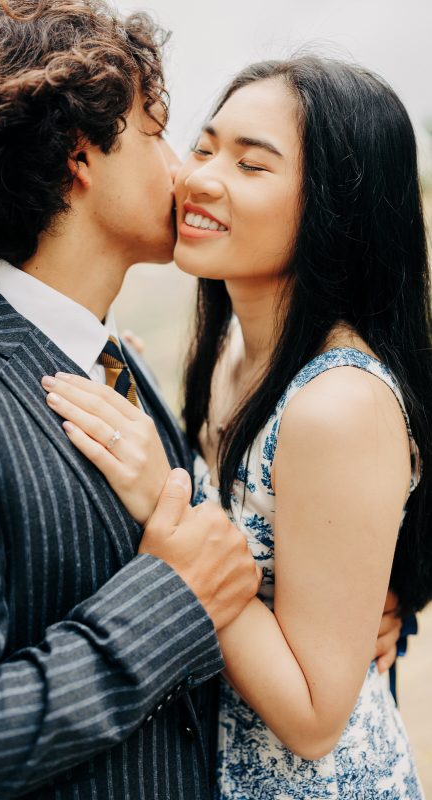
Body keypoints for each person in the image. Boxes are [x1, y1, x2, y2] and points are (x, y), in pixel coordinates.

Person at [0, 1, 262, 797]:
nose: (184, 170)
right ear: (79, 151)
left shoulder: (118, 359)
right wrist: (169, 599)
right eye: (155, 128)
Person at [47, 57, 432, 797]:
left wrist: (170, 502)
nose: (201, 179)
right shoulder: (229, 356)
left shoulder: (338, 405)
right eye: (204, 146)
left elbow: (317, 717)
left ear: (334, 207)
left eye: (252, 165)